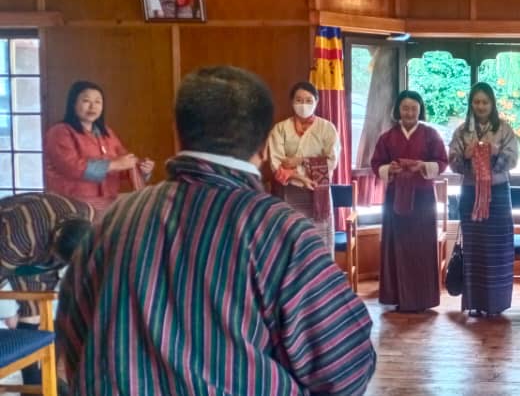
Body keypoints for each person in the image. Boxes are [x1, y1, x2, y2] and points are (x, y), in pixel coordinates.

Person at [57, 66, 376, 395]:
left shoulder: (113, 222)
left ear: (178, 132)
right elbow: (345, 368)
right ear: (264, 145)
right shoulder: (280, 231)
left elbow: (75, 339)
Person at [0, 193, 92, 396]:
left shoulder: (89, 218)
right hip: (8, 248)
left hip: (38, 260)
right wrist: (7, 311)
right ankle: (35, 386)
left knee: (39, 315)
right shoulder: (20, 237)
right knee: (23, 317)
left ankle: (41, 382)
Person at [370, 90, 448, 313]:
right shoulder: (387, 137)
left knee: (422, 247)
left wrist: (423, 166)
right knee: (396, 245)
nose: (409, 112)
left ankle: (422, 298)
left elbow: (442, 161)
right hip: (395, 198)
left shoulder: (431, 135)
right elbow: (376, 164)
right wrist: (390, 169)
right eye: (405, 108)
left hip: (423, 198)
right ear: (398, 110)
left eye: (414, 108)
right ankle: (397, 296)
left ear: (420, 110)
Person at [448, 83, 520, 317]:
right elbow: (453, 162)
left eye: (485, 102)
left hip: (497, 194)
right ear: (471, 104)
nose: (481, 106)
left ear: (492, 104)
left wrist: (496, 152)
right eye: (477, 102)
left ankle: (496, 304)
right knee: (474, 249)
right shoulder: (462, 131)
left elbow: (513, 159)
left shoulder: (504, 129)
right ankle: (475, 303)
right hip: (470, 194)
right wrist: (466, 155)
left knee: (498, 250)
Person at [44, 81, 154, 220]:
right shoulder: (60, 132)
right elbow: (71, 167)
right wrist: (113, 165)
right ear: (73, 103)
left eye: (98, 102)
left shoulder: (106, 133)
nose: (93, 106)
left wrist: (142, 169)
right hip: (71, 204)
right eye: (86, 101)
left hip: (106, 203)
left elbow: (122, 164)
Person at [268, 82, 341, 248]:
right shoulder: (280, 128)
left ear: (316, 102)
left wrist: (300, 160)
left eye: (309, 100)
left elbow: (331, 160)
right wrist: (300, 177)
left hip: (317, 191)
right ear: (292, 102)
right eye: (299, 100)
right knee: (291, 240)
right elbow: (276, 163)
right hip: (289, 191)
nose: (303, 104)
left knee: (318, 243)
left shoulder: (327, 128)